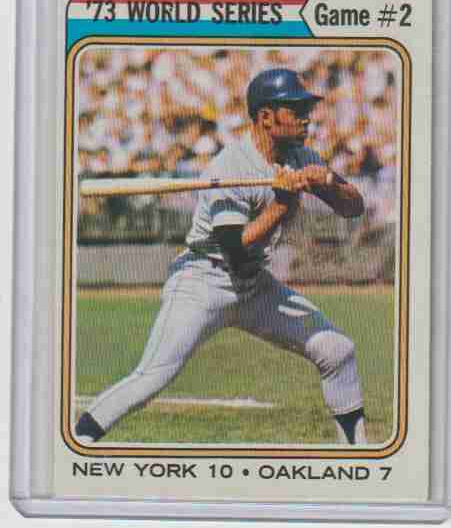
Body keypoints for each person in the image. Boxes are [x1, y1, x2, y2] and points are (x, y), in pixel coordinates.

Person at [75, 68, 367, 446]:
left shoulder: (300, 156)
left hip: (253, 285)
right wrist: (283, 204)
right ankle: (79, 442)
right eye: (295, 109)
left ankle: (356, 456)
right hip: (203, 280)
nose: (306, 116)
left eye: (305, 108)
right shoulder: (230, 165)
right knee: (151, 377)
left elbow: (353, 208)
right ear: (266, 116)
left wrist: (327, 183)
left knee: (337, 351)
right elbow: (234, 248)